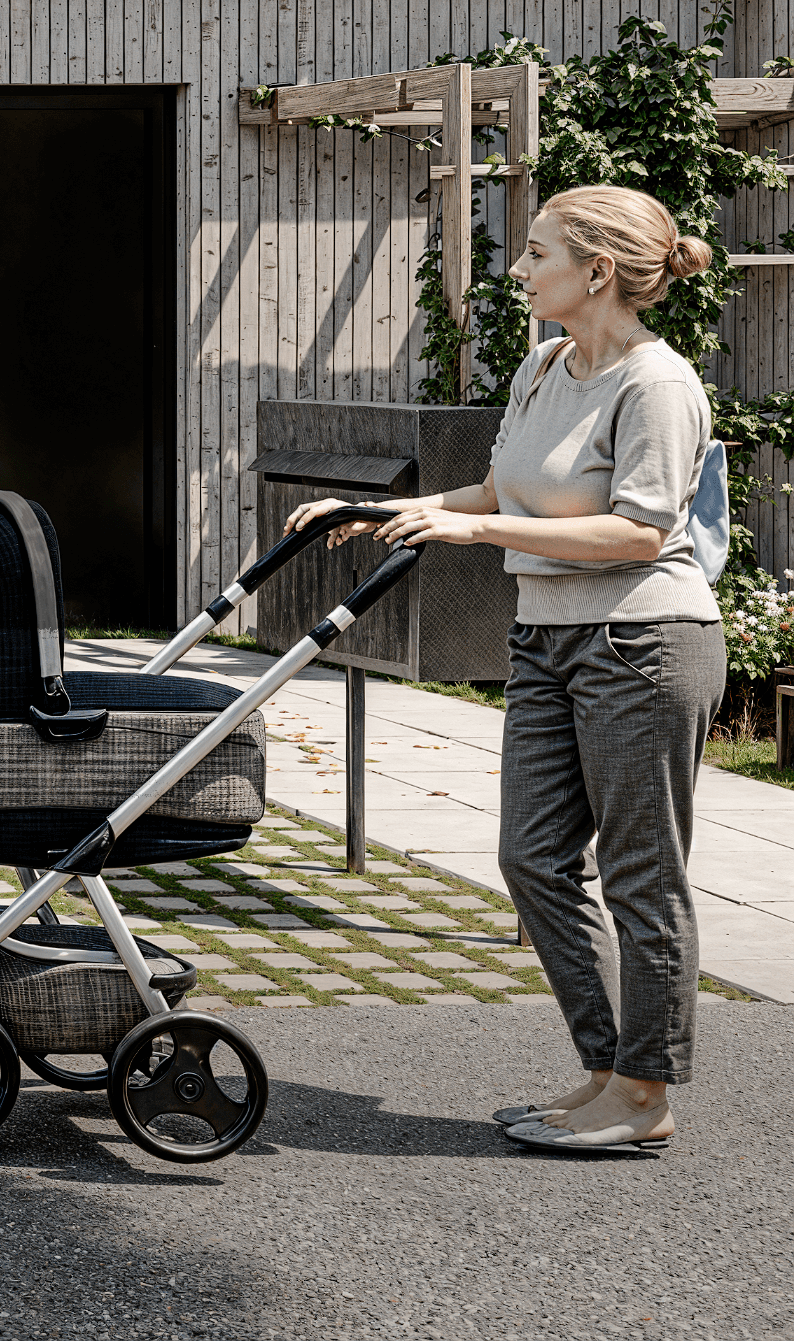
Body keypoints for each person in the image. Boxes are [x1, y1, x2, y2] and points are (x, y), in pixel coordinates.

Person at [282, 182, 724, 1155]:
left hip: (640, 642)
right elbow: (494, 486)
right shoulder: (543, 365)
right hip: (545, 635)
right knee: (530, 857)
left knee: (642, 876)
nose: (517, 270)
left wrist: (474, 526)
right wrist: (373, 512)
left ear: (596, 270)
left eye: (535, 253)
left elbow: (641, 530)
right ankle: (610, 1069)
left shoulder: (655, 385)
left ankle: (644, 1091)